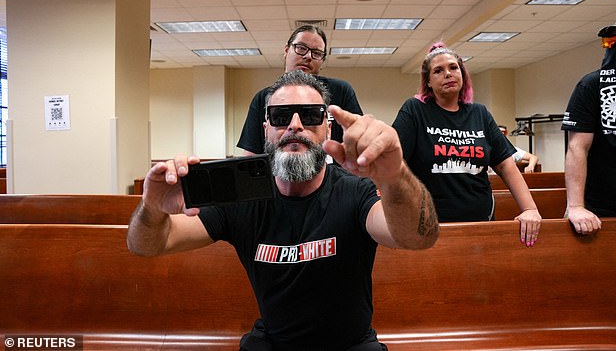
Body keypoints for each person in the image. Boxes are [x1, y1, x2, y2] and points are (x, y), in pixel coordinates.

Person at [127, 70, 439, 351]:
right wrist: (152, 208)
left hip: (350, 345)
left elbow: (418, 238)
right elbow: (149, 244)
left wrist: (395, 174)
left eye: (310, 115)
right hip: (272, 344)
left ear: (328, 130)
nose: (295, 125)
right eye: (280, 116)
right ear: (266, 129)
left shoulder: (354, 191)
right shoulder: (241, 200)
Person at [392, 42, 541, 247]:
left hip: (480, 223)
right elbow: (393, 160)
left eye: (453, 68)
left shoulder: (479, 113)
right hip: (429, 227)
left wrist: (529, 209)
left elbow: (505, 165)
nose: (448, 74)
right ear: (428, 81)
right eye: (438, 70)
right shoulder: (415, 110)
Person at [237, 24, 363, 155]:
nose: (308, 56)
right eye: (301, 48)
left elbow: (359, 139)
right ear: (286, 50)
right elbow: (251, 153)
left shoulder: (340, 91)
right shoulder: (263, 98)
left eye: (317, 53)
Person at [561, 15, 616, 235]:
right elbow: (577, 147)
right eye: (610, 43)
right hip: (599, 209)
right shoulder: (590, 84)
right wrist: (575, 206)